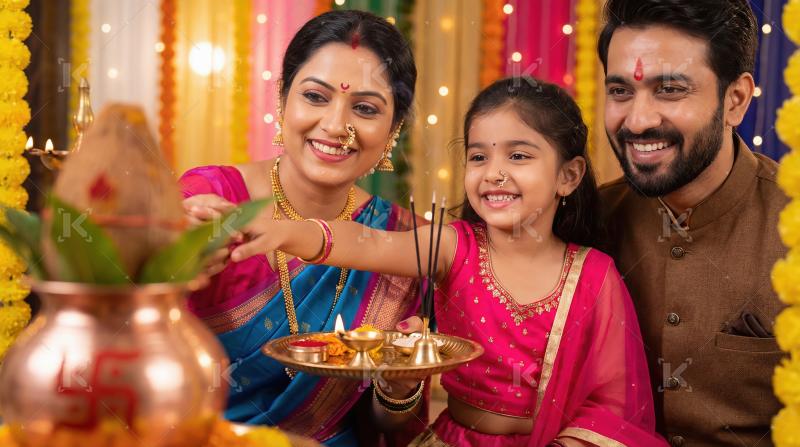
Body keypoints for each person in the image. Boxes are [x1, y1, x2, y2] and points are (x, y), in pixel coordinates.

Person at [231, 77, 668, 447]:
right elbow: (369, 242)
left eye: (518, 155)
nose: (493, 172)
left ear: (567, 176)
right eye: (478, 156)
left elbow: (613, 403)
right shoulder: (453, 246)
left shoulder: (594, 274)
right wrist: (291, 231)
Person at [179, 10, 426, 446]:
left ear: (394, 129)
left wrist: (399, 387)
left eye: (365, 108)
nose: (335, 126)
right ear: (283, 100)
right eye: (315, 97)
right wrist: (163, 260)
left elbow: (389, 426)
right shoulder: (210, 198)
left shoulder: (403, 241)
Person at [597, 0, 789, 445]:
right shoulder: (589, 220)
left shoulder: (793, 225)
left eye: (670, 90)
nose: (639, 120)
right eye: (621, 91)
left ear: (735, 100)